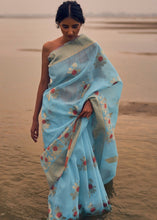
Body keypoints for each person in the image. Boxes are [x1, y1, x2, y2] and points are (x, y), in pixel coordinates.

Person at [30, 1, 123, 219]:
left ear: (82, 24)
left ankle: (81, 208)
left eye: (76, 26)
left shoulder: (90, 47)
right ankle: (63, 211)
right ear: (58, 24)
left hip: (79, 115)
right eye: (65, 26)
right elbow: (43, 84)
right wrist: (34, 119)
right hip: (53, 116)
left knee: (79, 161)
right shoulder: (48, 48)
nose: (71, 31)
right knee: (60, 167)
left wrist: (91, 101)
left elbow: (108, 80)